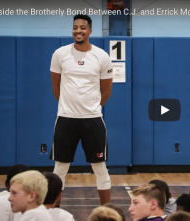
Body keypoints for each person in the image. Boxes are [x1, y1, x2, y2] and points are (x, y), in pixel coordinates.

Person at [50, 14, 113, 206]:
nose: (78, 30)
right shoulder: (60, 54)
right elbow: (56, 87)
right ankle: (54, 211)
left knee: (100, 168)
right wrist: (68, 107)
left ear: (90, 31)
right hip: (65, 119)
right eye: (75, 27)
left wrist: (89, 108)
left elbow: (106, 91)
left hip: (93, 120)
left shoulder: (102, 56)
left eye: (83, 27)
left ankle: (107, 213)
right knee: (60, 168)